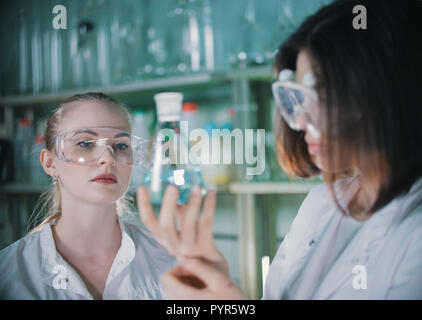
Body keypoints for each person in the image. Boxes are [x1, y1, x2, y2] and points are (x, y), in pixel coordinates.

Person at [137, 0, 422, 299]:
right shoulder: (321, 203)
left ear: (389, 89)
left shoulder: (414, 235)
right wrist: (219, 290)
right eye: (296, 97)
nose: (299, 121)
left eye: (321, 93)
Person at [0, 92, 176, 299]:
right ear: (49, 163)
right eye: (85, 143)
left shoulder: (169, 260)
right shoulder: (8, 274)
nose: (108, 159)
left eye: (120, 146)